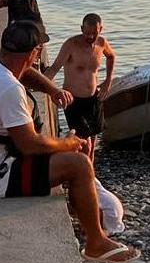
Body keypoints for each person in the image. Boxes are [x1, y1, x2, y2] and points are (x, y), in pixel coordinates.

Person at [0, 20, 139, 263]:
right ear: (33, 54)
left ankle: (82, 212)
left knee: (62, 155)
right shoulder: (8, 89)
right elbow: (30, 145)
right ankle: (96, 243)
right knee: (79, 165)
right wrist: (68, 143)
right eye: (38, 51)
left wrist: (54, 91)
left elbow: (25, 72)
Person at [45, 13, 116, 164]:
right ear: (81, 28)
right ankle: (78, 173)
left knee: (93, 140)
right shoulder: (72, 44)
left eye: (94, 33)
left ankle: (89, 176)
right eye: (87, 32)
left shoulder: (101, 43)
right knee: (85, 144)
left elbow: (111, 56)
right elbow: (55, 67)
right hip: (73, 100)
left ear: (100, 29)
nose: (90, 36)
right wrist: (42, 85)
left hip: (94, 98)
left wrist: (108, 80)